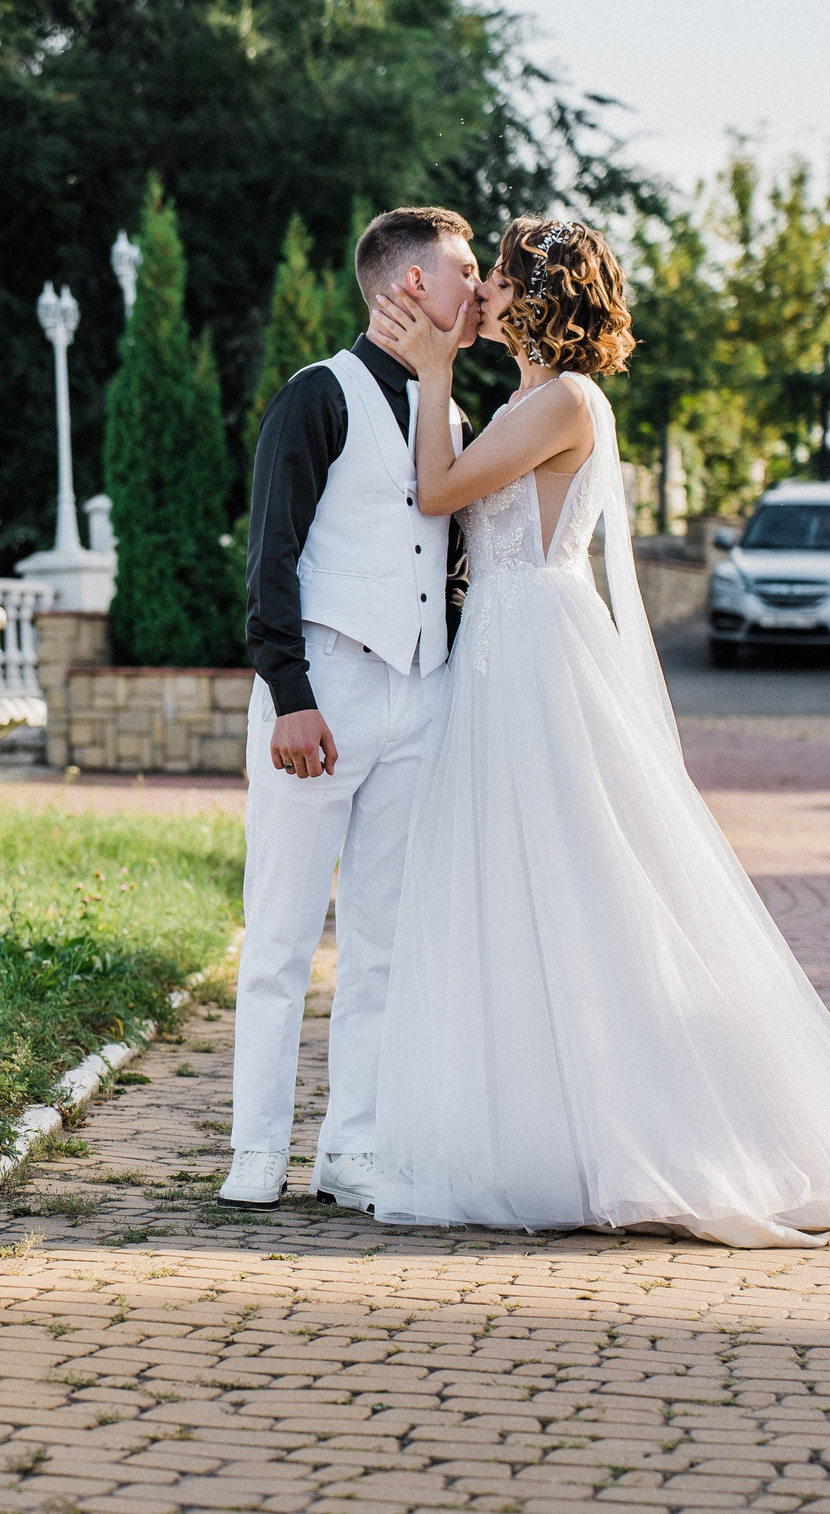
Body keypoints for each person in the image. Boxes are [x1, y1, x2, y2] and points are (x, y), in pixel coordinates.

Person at [361, 217, 830, 1248]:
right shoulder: (524, 400)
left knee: (582, 881)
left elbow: (437, 490)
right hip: (500, 658)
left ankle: (653, 1133)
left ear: (537, 297)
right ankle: (541, 1134)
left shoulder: (567, 400)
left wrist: (432, 374)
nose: (478, 293)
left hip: (538, 656)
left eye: (498, 279)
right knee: (515, 887)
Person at [219, 207, 479, 1213]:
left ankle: (351, 1148)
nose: (477, 288)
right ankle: (256, 1148)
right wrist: (289, 693)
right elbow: (270, 555)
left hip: (420, 694)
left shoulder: (450, 413)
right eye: (463, 270)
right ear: (412, 283)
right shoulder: (316, 394)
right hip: (323, 690)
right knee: (282, 934)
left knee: (382, 942)